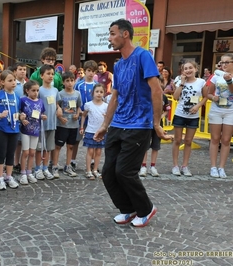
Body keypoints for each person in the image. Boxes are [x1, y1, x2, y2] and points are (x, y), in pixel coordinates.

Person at [94, 19, 169, 227]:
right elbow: (115, 97)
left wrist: (156, 123)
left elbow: (156, 90)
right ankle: (128, 209)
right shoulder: (118, 65)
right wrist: (104, 125)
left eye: (112, 33)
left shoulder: (143, 56)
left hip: (139, 125)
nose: (110, 38)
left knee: (125, 171)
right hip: (118, 124)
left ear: (125, 34)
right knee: (109, 172)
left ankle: (146, 209)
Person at [0, 70, 24, 190]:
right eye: (10, 80)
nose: (13, 83)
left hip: (14, 129)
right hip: (1, 129)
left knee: (10, 154)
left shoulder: (17, 96)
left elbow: (17, 112)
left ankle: (9, 176)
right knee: (1, 153)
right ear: (2, 82)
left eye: (14, 80)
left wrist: (21, 116)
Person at [171, 61, 206, 177]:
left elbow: (205, 97)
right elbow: (175, 97)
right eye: (185, 68)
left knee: (188, 141)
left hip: (193, 116)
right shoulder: (179, 81)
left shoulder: (201, 82)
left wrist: (198, 106)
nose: (188, 70)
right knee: (177, 140)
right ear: (182, 71)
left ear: (196, 69)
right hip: (180, 114)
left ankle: (185, 166)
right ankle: (175, 166)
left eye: (190, 68)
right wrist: (181, 83)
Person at [207, 53, 233, 178]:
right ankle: (213, 167)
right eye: (221, 62)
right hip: (216, 110)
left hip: (231, 110)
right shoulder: (216, 76)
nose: (223, 65)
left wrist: (228, 80)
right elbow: (208, 93)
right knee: (214, 139)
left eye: (226, 62)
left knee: (226, 140)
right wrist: (213, 97)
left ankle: (222, 167)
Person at [33, 65, 62, 180]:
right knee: (40, 148)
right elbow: (35, 105)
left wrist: (59, 108)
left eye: (52, 74)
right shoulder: (39, 90)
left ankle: (45, 168)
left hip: (52, 123)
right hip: (41, 125)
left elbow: (57, 103)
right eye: (48, 74)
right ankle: (37, 168)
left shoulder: (55, 90)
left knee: (49, 147)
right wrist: (39, 116)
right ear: (41, 75)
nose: (51, 76)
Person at [52, 71, 81, 178]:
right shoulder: (60, 94)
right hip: (62, 125)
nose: (70, 83)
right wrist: (60, 117)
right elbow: (57, 107)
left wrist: (77, 115)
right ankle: (55, 165)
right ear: (63, 82)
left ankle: (68, 166)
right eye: (67, 81)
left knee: (70, 146)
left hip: (73, 125)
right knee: (58, 146)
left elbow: (79, 107)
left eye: (72, 80)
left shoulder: (77, 94)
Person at [18, 80, 46, 185]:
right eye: (33, 90)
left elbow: (41, 113)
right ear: (27, 90)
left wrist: (43, 116)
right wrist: (22, 118)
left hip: (36, 130)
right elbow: (19, 111)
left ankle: (29, 171)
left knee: (32, 152)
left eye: (37, 90)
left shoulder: (40, 101)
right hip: (25, 130)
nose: (36, 93)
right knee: (25, 152)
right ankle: (23, 173)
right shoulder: (23, 100)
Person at [72, 60, 98, 170]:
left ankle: (92, 161)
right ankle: (72, 160)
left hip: (92, 117)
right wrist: (77, 111)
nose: (91, 73)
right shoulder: (79, 85)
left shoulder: (96, 85)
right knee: (76, 139)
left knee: (93, 139)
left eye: (93, 71)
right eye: (88, 71)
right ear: (85, 71)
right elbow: (74, 98)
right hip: (80, 115)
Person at [80, 84, 108, 180]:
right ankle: (88, 170)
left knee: (99, 151)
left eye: (101, 92)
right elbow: (84, 115)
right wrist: (81, 127)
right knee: (90, 151)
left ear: (104, 93)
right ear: (93, 93)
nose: (99, 94)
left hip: (101, 132)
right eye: (97, 91)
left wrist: (106, 120)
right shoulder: (88, 105)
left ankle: (95, 169)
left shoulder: (106, 106)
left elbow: (108, 118)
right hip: (90, 130)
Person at [139, 94, 170, 177]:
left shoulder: (164, 97)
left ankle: (153, 166)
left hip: (159, 125)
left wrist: (161, 116)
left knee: (156, 145)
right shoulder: (146, 94)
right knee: (145, 145)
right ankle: (143, 166)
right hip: (147, 124)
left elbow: (167, 110)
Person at [13, 62, 27, 173]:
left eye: (24, 69)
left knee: (24, 141)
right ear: (15, 71)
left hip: (27, 116)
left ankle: (23, 162)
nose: (22, 71)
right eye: (20, 69)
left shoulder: (27, 84)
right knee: (17, 141)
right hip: (16, 116)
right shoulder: (14, 85)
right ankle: (15, 162)